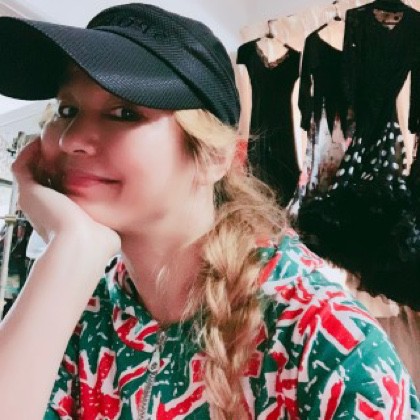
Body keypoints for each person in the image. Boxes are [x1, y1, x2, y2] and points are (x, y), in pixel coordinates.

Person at [0, 3, 418, 419]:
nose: (71, 140)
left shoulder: (323, 335)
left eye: (125, 113)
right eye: (67, 110)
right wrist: (69, 251)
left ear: (215, 157)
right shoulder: (74, 305)